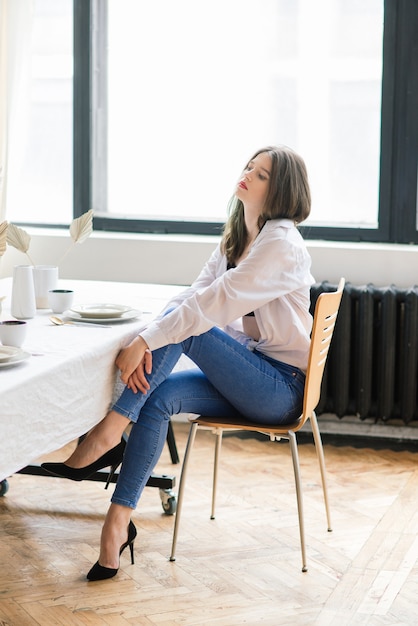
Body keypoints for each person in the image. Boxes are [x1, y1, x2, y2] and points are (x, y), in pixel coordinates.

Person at [42, 144, 314, 581]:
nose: (247, 173)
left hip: (279, 389)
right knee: (158, 395)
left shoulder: (280, 242)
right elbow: (191, 295)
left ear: (281, 190)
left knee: (191, 327)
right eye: (249, 165)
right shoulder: (238, 235)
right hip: (250, 372)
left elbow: (212, 304)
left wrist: (149, 339)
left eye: (261, 174)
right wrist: (146, 337)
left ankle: (107, 434)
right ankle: (115, 529)